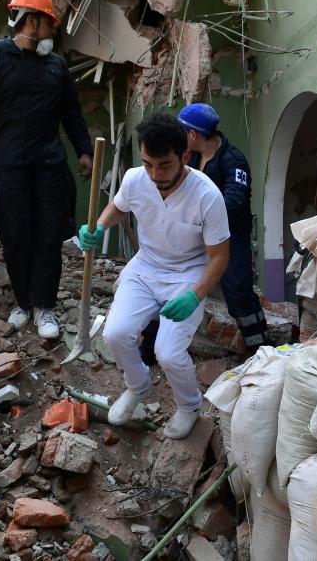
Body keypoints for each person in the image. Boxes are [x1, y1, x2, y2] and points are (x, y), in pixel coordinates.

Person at [78, 113, 230, 440]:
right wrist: (98, 226)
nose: (154, 174)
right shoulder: (136, 179)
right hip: (146, 266)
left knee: (169, 352)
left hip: (188, 273)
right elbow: (119, 206)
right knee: (116, 333)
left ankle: (189, 406)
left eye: (163, 165)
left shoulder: (207, 195)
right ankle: (138, 386)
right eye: (148, 164)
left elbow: (220, 257)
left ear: (185, 157)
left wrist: (196, 295)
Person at [0, 0, 94, 340]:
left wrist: (84, 150)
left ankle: (45, 307)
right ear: (32, 21)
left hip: (48, 164)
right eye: (50, 23)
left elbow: (71, 113)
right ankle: (23, 302)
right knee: (16, 235)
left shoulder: (56, 65)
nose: (54, 31)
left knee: (49, 236)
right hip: (5, 165)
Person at [181, 102, 269, 352]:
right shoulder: (193, 157)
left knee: (238, 293)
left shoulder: (233, 160)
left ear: (193, 134)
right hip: (198, 233)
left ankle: (261, 349)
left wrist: (201, 215)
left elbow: (234, 200)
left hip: (232, 236)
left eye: (182, 130)